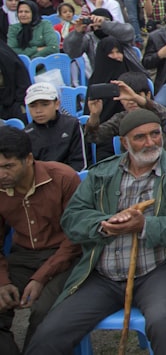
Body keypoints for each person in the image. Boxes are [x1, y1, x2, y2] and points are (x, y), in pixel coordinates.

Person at [25, 108, 166, 355]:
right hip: (102, 274)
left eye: (155, 134)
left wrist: (144, 225)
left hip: (158, 269)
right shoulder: (101, 174)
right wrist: (104, 225)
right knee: (50, 332)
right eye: (140, 137)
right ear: (124, 142)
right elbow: (72, 220)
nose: (150, 142)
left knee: (164, 323)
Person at [0, 127, 81, 354]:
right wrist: (2, 281)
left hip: (65, 257)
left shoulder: (63, 178)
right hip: (23, 256)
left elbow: (76, 238)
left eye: (8, 166)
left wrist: (39, 278)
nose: (1, 174)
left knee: (44, 312)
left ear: (28, 159)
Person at [21, 83, 86, 171]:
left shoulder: (72, 124)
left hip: (71, 179)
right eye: (32, 106)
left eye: (45, 104)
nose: (38, 110)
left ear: (57, 104)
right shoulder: (26, 134)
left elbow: (80, 163)